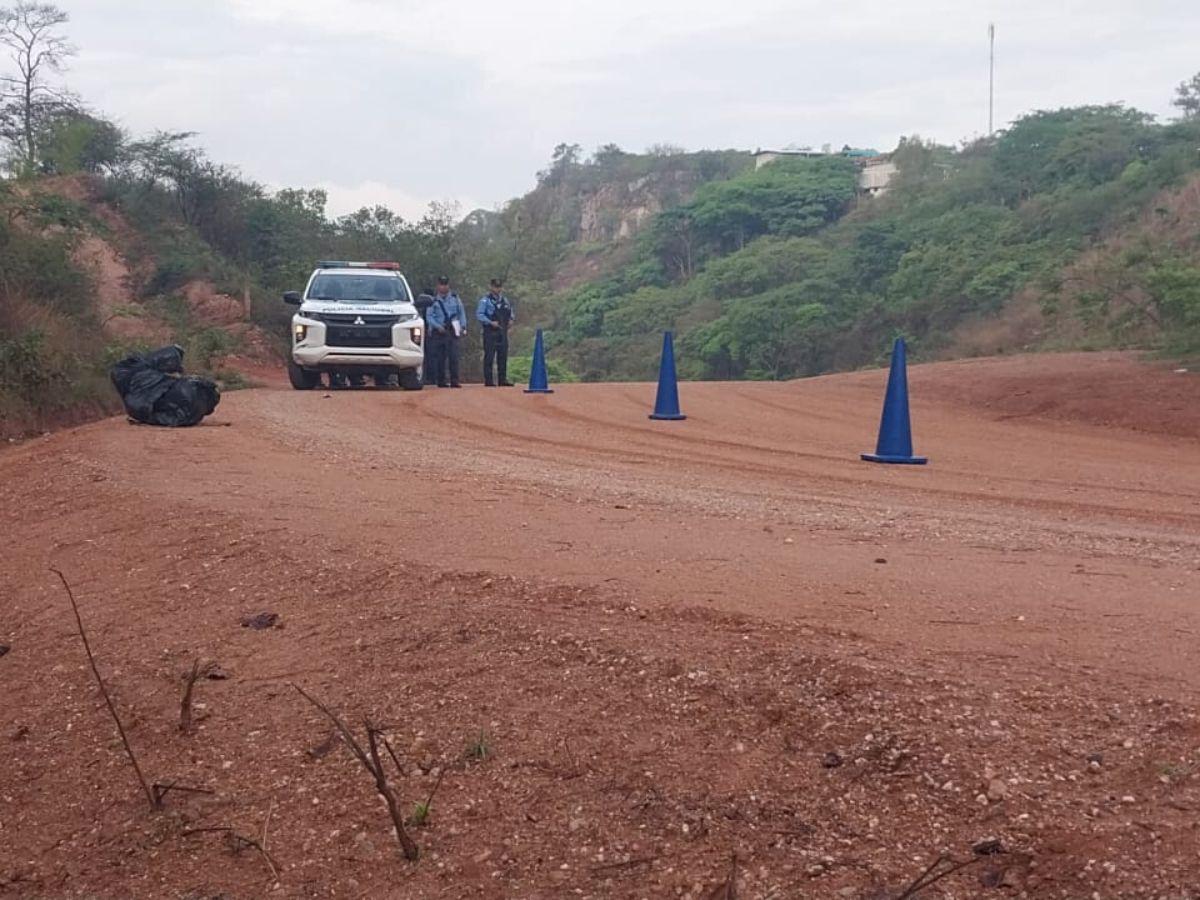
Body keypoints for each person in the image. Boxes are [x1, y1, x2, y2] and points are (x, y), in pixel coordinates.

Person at [425, 277, 467, 388]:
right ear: (438, 286)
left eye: (446, 284)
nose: (444, 287)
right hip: (439, 332)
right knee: (440, 358)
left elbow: (461, 313)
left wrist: (463, 326)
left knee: (454, 356)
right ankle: (441, 381)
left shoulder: (455, 298)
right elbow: (429, 317)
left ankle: (454, 381)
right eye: (441, 285)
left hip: (452, 330)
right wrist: (437, 326)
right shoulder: (433, 300)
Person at [477, 278, 515, 387]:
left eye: (499, 287)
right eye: (495, 287)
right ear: (491, 287)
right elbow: (480, 315)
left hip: (502, 332)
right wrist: (490, 322)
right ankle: (489, 380)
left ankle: (502, 379)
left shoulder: (505, 301)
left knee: (502, 356)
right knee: (489, 356)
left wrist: (511, 320)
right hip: (490, 332)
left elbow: (511, 313)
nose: (497, 289)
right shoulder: (485, 301)